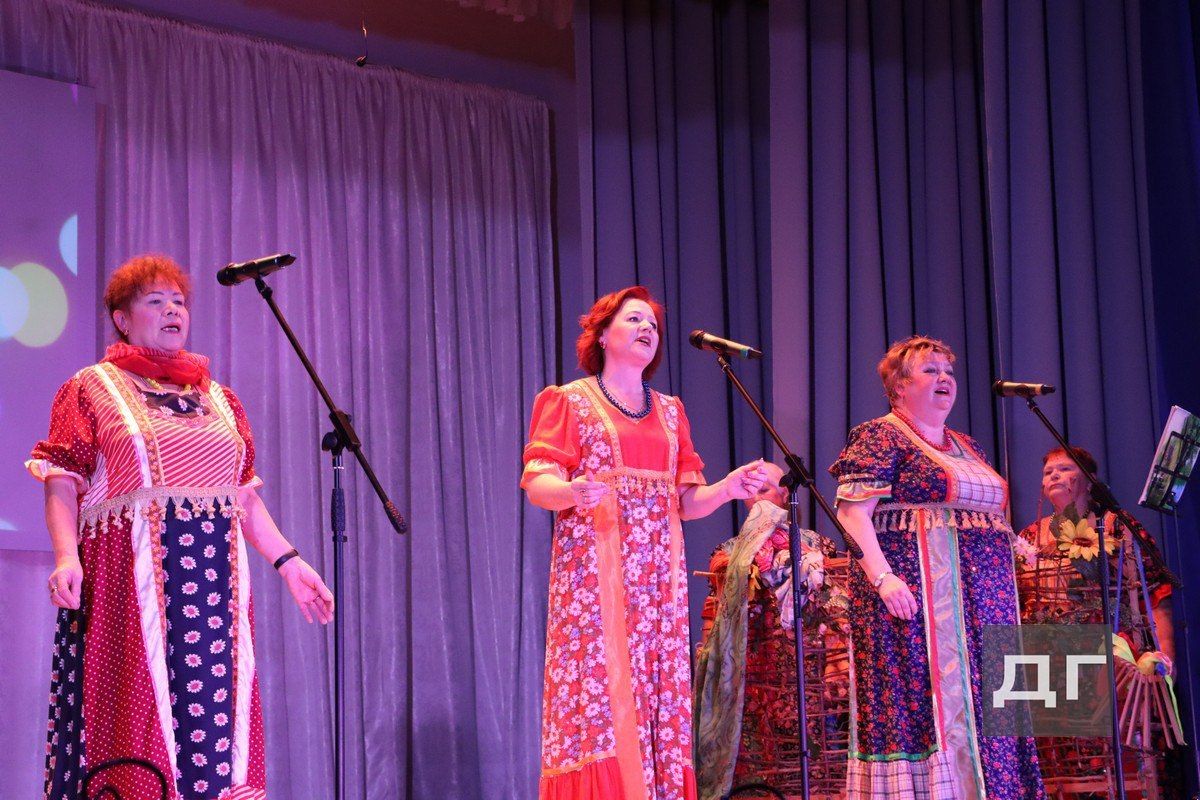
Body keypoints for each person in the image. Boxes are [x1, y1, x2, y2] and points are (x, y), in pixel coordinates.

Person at [28, 254, 334, 800]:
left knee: (215, 712)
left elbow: (243, 497)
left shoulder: (220, 399)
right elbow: (61, 480)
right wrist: (66, 556)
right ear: (122, 319)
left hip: (213, 585)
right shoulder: (92, 387)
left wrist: (289, 563)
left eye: (179, 302)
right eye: (156, 301)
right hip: (129, 579)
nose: (173, 310)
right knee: (136, 714)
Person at [521, 286, 768, 800]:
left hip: (659, 585)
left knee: (658, 697)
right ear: (602, 335)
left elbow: (687, 501)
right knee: (602, 699)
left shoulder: (672, 411)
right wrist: (571, 491)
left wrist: (728, 487)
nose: (647, 330)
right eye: (633, 319)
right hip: (595, 580)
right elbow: (538, 483)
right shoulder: (569, 400)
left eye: (653, 324)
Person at [829, 335, 1043, 799]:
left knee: (996, 711)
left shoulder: (968, 445)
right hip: (917, 604)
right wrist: (883, 578)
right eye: (930, 370)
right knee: (927, 710)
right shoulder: (880, 435)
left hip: (986, 604)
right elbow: (851, 513)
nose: (944, 378)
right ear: (898, 386)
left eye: (948, 371)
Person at [1017, 446, 1177, 662]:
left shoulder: (1118, 526)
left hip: (1111, 658)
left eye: (1065, 469)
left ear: (1090, 481)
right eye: (1048, 472)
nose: (1054, 475)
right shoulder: (1029, 536)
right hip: (1048, 659)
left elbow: (1155, 595)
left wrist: (1167, 656)